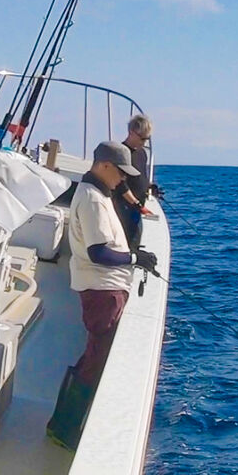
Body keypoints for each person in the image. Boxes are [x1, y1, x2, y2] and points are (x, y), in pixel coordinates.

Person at [46, 141, 158, 451]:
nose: (123, 179)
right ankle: (63, 430)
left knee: (92, 357)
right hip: (101, 292)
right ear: (105, 166)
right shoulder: (94, 200)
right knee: (95, 361)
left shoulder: (97, 193)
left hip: (105, 289)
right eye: (120, 172)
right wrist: (135, 259)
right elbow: (98, 253)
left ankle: (62, 425)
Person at [111, 114, 161, 249]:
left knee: (135, 239)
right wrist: (136, 203)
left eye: (147, 138)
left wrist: (150, 187)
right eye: (142, 138)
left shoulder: (142, 153)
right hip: (124, 206)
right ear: (131, 132)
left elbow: (140, 176)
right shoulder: (121, 153)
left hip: (137, 206)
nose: (144, 142)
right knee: (123, 240)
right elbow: (120, 184)